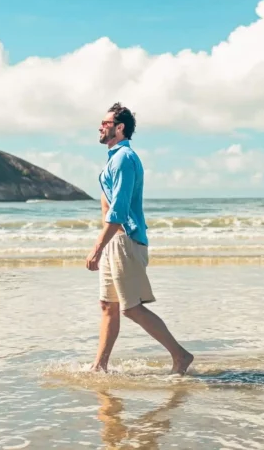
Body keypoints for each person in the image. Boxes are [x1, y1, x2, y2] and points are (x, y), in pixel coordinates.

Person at [86, 103, 194, 375]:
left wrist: (96, 248)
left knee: (131, 308)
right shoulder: (114, 158)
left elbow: (119, 210)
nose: (100, 126)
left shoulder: (124, 158)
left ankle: (180, 356)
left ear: (119, 127)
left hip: (124, 241)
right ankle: (100, 366)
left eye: (106, 123)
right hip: (114, 242)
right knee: (107, 306)